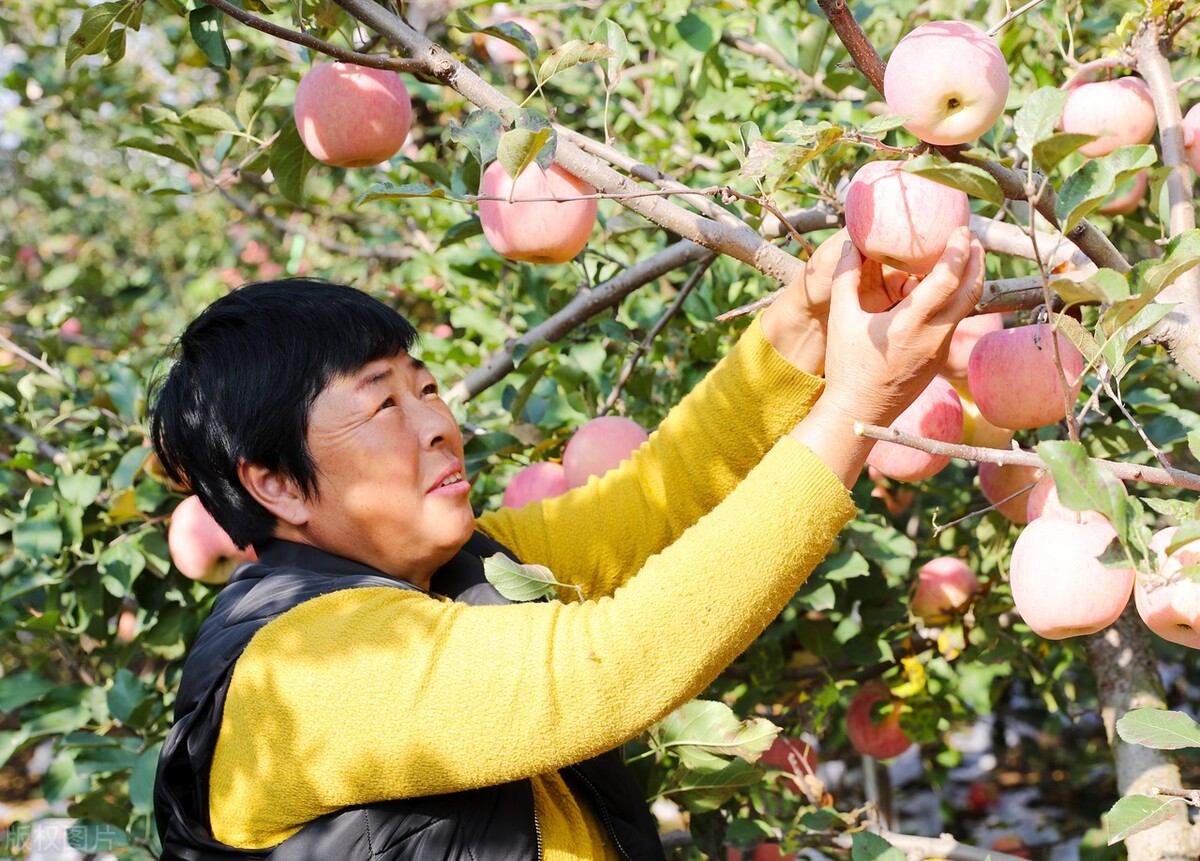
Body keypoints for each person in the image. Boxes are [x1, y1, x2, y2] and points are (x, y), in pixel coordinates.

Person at [150, 227, 984, 861]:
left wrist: (801, 319)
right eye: (383, 405)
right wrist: (853, 410)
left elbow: (661, 497)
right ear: (277, 483)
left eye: (429, 387)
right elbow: (606, 667)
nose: (443, 424)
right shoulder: (301, 673)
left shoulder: (459, 571)